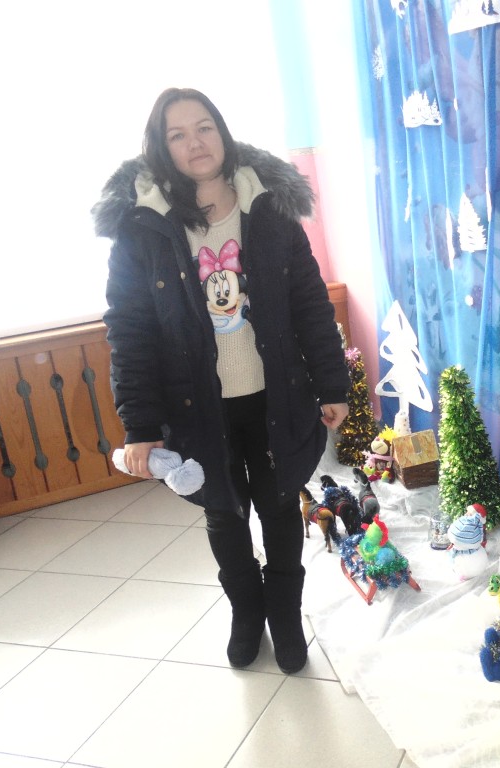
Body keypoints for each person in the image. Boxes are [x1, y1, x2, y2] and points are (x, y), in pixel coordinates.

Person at [93, 87, 350, 674]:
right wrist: (140, 424)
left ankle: (285, 614)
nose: (195, 143)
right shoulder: (142, 227)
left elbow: (310, 302)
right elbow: (128, 330)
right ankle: (247, 611)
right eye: (178, 134)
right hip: (196, 405)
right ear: (161, 147)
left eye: (204, 127)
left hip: (275, 394)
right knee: (223, 513)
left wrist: (331, 383)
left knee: (280, 507)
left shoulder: (268, 208)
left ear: (222, 131)